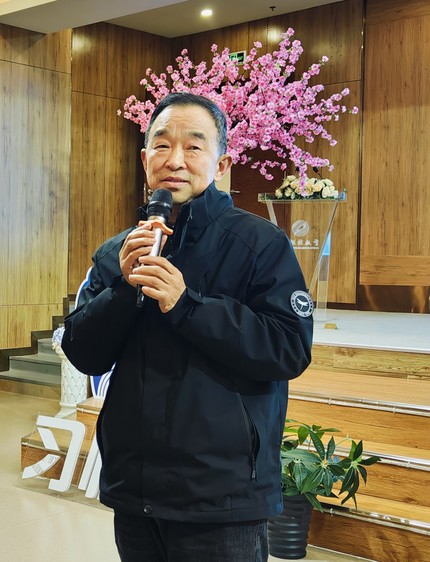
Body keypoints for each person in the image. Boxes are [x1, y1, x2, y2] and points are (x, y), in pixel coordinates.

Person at [62, 92, 313, 561]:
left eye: (194, 146)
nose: (175, 160)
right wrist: (123, 290)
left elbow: (288, 348)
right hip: (135, 491)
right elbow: (83, 353)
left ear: (222, 163)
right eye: (161, 145)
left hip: (221, 499)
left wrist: (187, 305)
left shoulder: (260, 243)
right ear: (145, 160)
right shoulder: (118, 252)